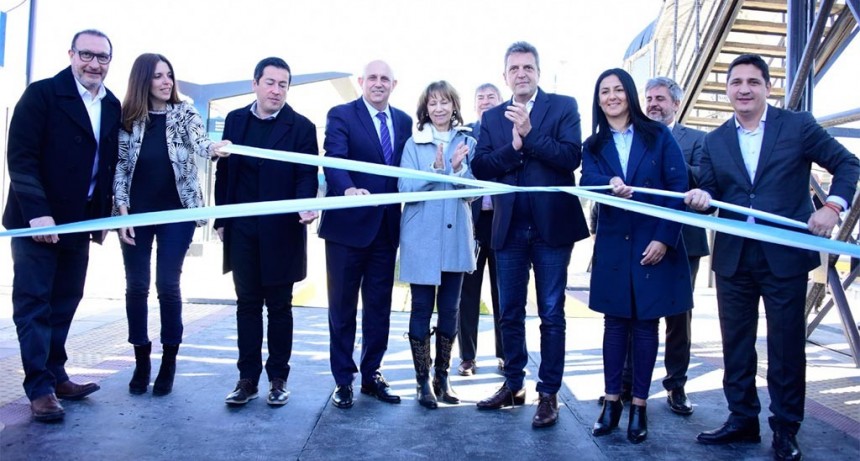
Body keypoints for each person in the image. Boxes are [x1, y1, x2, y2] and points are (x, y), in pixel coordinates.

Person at [685, 54, 859, 461]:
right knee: (737, 345)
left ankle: (785, 428)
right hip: (734, 260)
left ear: (767, 87)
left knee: (785, 346)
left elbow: (848, 163)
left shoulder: (797, 126)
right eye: (736, 82)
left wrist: (831, 206)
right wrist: (700, 200)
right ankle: (742, 420)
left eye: (753, 81)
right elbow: (713, 196)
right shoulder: (715, 141)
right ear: (727, 89)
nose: (743, 89)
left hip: (784, 257)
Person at [2, 29, 121, 422]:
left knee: (67, 299)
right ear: (71, 54)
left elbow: (108, 162)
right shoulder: (41, 95)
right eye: (87, 54)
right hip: (35, 221)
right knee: (35, 302)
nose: (94, 64)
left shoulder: (112, 103)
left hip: (79, 222)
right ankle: (39, 387)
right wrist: (38, 211)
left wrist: (107, 213)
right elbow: (20, 156)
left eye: (102, 57)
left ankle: (56, 372)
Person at [472, 41, 589, 428]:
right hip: (508, 229)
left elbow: (571, 157)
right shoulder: (490, 118)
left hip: (551, 228)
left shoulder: (564, 106)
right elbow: (482, 167)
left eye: (528, 67)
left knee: (552, 313)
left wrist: (530, 134)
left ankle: (549, 393)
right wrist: (514, 145)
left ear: (538, 72)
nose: (521, 74)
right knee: (509, 312)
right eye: (514, 69)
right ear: (505, 75)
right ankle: (513, 384)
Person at [581, 68, 692, 444]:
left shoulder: (658, 135)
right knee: (614, 326)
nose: (611, 96)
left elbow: (678, 188)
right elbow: (587, 185)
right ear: (598, 101)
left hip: (651, 244)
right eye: (604, 92)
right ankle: (612, 402)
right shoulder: (593, 146)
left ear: (628, 94)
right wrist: (606, 188)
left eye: (617, 90)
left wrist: (665, 239)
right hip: (613, 246)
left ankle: (640, 407)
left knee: (646, 326)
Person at [114, 53, 230, 397]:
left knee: (168, 284)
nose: (166, 82)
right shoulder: (128, 118)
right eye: (158, 76)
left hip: (177, 213)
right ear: (143, 81)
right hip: (135, 214)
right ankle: (141, 359)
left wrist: (214, 148)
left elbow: (199, 141)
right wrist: (120, 209)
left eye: (169, 75)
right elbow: (120, 165)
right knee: (136, 286)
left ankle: (168, 361)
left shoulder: (184, 111)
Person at [214, 57, 319, 407]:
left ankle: (278, 379)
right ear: (255, 83)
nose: (276, 90)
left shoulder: (301, 127)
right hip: (242, 231)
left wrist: (307, 203)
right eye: (270, 82)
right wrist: (221, 219)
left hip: (282, 231)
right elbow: (224, 175)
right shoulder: (235, 120)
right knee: (246, 305)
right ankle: (247, 379)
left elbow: (307, 174)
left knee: (279, 306)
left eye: (283, 84)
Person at [318, 60, 412, 409]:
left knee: (379, 309)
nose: (378, 83)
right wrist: (346, 190)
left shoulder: (403, 121)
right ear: (361, 82)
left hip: (386, 231)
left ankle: (372, 374)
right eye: (372, 78)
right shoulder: (341, 114)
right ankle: (343, 379)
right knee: (342, 310)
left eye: (384, 78)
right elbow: (334, 158)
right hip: (347, 229)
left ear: (394, 84)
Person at [399, 80, 477, 409]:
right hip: (421, 238)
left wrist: (459, 169)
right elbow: (405, 187)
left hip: (456, 237)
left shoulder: (467, 141)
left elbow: (472, 193)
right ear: (425, 108)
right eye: (433, 103)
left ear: (454, 106)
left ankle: (442, 378)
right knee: (420, 308)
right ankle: (421, 382)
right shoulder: (413, 144)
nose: (440, 108)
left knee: (450, 310)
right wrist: (436, 169)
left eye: (445, 102)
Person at [644, 76, 709, 415]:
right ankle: (628, 384)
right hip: (641, 238)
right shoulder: (634, 136)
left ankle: (676, 386)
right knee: (637, 313)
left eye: (660, 99)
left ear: (676, 104)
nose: (654, 104)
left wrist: (664, 148)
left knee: (678, 317)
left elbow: (702, 180)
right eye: (649, 98)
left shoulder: (697, 140)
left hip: (685, 242)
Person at [457, 83, 504, 377]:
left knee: (504, 293)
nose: (485, 102)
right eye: (480, 98)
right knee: (468, 294)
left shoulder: (509, 130)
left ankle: (505, 355)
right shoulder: (464, 136)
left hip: (502, 222)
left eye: (491, 97)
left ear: (501, 102)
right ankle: (467, 357)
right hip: (472, 224)